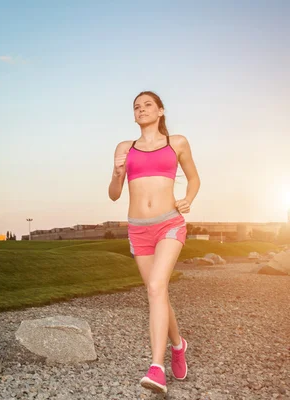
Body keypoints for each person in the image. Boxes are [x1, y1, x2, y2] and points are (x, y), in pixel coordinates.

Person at [108, 91, 200, 394]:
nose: (141, 109)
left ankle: (156, 368)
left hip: (169, 224)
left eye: (148, 104)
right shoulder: (125, 147)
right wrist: (118, 172)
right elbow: (113, 193)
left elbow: (194, 179)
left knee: (156, 288)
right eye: (136, 107)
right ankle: (178, 345)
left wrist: (187, 199)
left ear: (160, 111)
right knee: (157, 291)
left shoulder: (178, 142)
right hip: (138, 229)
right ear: (134, 116)